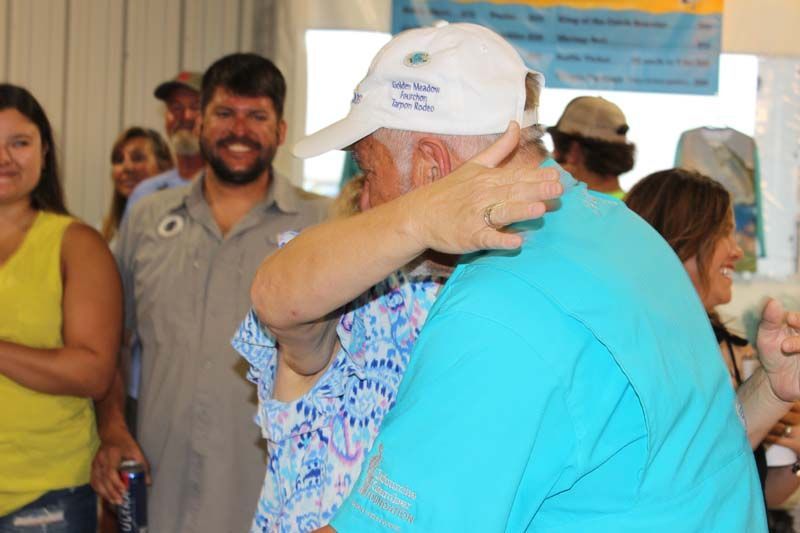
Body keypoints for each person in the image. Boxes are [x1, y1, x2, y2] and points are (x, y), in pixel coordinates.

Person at [244, 23, 791, 532]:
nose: (365, 201)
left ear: (432, 165)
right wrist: (766, 390)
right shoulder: (624, 235)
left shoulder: (502, 307)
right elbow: (672, 459)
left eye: (368, 170)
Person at [90, 54, 331, 533]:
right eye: (224, 114)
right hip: (160, 490)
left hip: (273, 498)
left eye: (256, 116)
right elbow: (114, 340)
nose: (239, 130)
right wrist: (113, 427)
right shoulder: (147, 217)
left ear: (281, 131)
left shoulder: (321, 224)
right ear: (200, 122)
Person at [625, 168, 800, 507]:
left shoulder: (737, 352)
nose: (737, 251)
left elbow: (761, 497)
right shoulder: (638, 352)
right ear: (678, 240)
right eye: (723, 233)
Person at [0, 84, 121, 530]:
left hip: (42, 499)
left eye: (20, 142)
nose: (5, 158)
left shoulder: (76, 244)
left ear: (45, 151)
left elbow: (92, 372)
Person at [124, 71, 203, 213]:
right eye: (176, 108)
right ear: (166, 117)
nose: (186, 116)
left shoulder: (228, 189)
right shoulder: (145, 194)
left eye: (195, 107)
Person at [547, 95, 634, 198]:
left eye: (555, 147)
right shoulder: (640, 207)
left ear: (573, 151)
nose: (552, 154)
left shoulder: (552, 207)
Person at [101, 127, 173, 242]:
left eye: (137, 158)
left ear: (164, 167)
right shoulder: (105, 233)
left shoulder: (179, 226)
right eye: (119, 160)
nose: (127, 167)